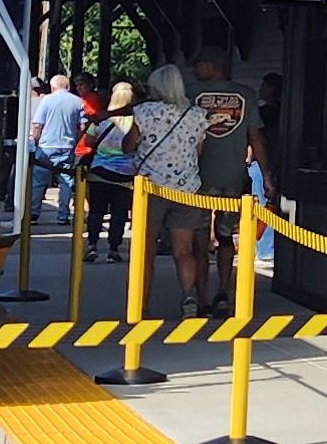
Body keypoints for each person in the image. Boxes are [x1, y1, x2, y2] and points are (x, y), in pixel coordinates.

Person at [95, 66, 206, 297]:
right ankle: (189, 297)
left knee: (145, 250)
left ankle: (140, 302)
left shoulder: (144, 112)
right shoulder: (196, 115)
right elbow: (199, 151)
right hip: (186, 188)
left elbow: (129, 145)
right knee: (184, 250)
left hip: (150, 188)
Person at [190, 52, 268, 310]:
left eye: (199, 63)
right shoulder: (246, 95)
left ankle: (201, 297)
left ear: (211, 65)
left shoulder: (193, 94)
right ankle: (223, 291)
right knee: (225, 237)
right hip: (232, 178)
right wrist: (266, 173)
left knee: (200, 238)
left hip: (198, 179)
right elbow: (256, 137)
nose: (196, 68)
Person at [25, 73, 86, 229]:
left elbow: (37, 124)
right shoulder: (78, 102)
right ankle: (63, 215)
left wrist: (36, 141)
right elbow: (83, 127)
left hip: (46, 146)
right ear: (68, 86)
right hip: (67, 147)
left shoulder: (47, 100)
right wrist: (75, 141)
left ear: (52, 87)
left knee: (38, 182)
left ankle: (33, 213)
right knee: (66, 182)